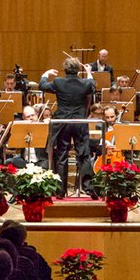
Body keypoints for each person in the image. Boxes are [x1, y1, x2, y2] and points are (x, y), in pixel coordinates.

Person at [40, 58, 95, 194]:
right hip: (79, 123)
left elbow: (42, 85)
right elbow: (92, 86)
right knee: (83, 154)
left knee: (61, 155)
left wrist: (45, 74)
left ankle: (60, 190)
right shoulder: (84, 83)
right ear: (78, 69)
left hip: (62, 123)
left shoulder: (59, 82)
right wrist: (89, 72)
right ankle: (88, 187)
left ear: (65, 69)